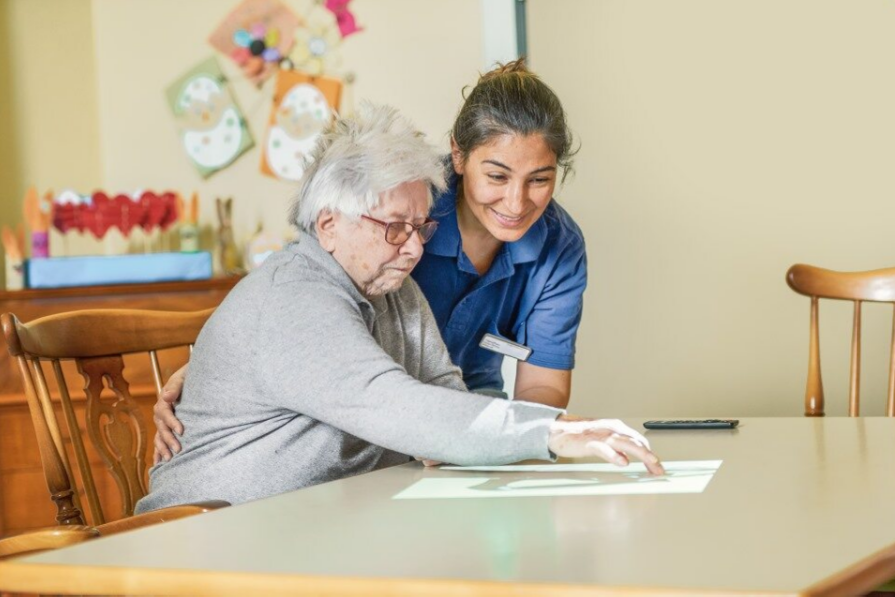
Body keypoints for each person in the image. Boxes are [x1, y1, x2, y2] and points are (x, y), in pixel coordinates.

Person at [135, 104, 662, 512]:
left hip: (325, 521)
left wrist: (478, 434)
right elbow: (390, 405)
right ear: (328, 224)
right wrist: (550, 432)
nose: (413, 249)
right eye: (394, 228)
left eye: (420, 227)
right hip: (212, 537)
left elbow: (441, 400)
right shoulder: (294, 296)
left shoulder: (395, 289)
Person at [153, 59, 587, 462]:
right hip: (368, 403)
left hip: (468, 404)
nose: (516, 201)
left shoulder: (558, 247)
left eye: (539, 179)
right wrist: (216, 368)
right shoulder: (405, 197)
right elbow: (308, 287)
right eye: (496, 175)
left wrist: (521, 438)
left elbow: (540, 385)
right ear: (458, 155)